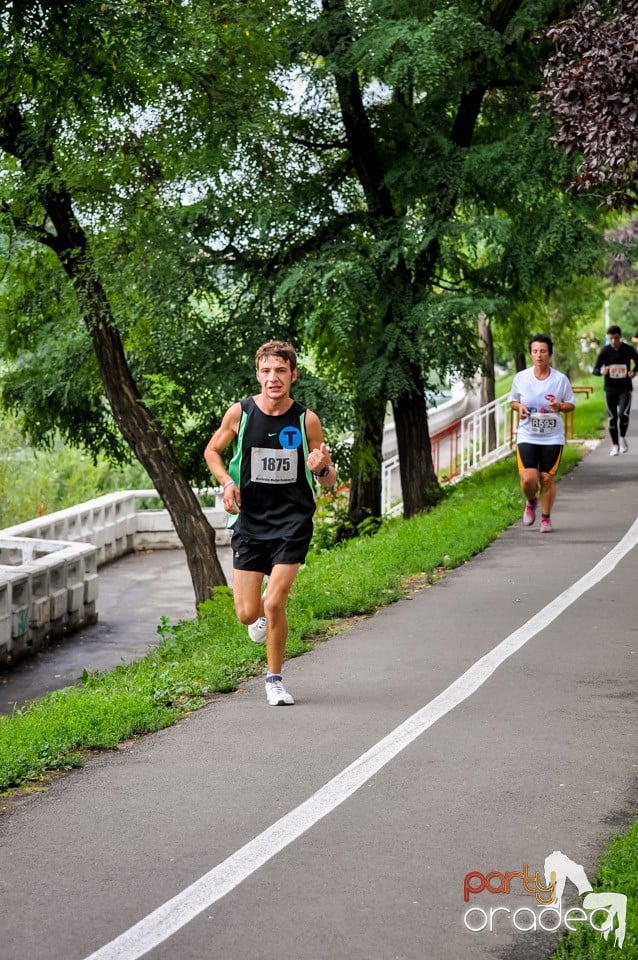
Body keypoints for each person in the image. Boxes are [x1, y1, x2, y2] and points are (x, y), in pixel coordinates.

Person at [204, 341, 336, 706]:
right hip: (249, 520)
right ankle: (259, 616)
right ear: (257, 374)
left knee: (275, 603)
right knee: (248, 612)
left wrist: (321, 467)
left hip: (292, 521)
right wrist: (227, 483)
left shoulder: (305, 419)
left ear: (293, 374)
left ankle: (274, 680)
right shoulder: (240, 413)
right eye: (266, 371)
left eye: (280, 370)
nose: (273, 378)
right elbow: (212, 451)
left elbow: (328, 477)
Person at [510, 335, 575, 533]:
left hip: (552, 436)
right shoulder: (521, 378)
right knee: (528, 479)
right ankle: (531, 501)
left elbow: (571, 405)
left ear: (549, 354)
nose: (539, 355)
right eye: (535, 351)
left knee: (546, 478)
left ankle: (545, 518)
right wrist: (519, 407)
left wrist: (559, 406)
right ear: (531, 354)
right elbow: (513, 401)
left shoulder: (560, 379)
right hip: (528, 434)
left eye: (543, 351)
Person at [594, 325, 638, 456]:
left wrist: (633, 371)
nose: (614, 341)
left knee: (623, 415)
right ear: (608, 338)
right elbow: (595, 370)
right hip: (610, 389)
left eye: (616, 338)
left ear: (620, 336)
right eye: (611, 338)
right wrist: (603, 371)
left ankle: (622, 438)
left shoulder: (627, 349)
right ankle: (614, 445)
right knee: (612, 418)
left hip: (625, 388)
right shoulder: (605, 351)